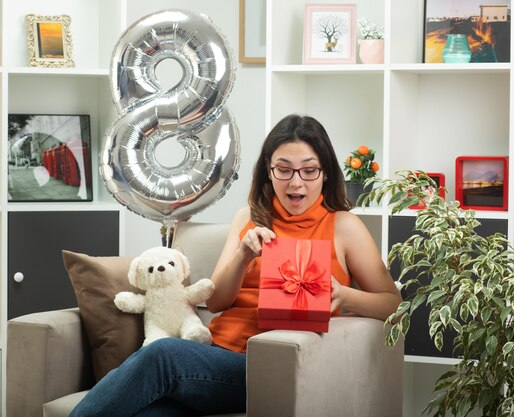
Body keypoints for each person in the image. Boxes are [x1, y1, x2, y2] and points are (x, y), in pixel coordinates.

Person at [69, 114, 402, 417]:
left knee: (165, 353)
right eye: (283, 170)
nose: (295, 182)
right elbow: (216, 303)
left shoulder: (343, 226)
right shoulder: (249, 217)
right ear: (269, 172)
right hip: (216, 353)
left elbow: (393, 303)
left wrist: (343, 295)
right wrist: (243, 254)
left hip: (270, 366)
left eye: (309, 170)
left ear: (325, 172)